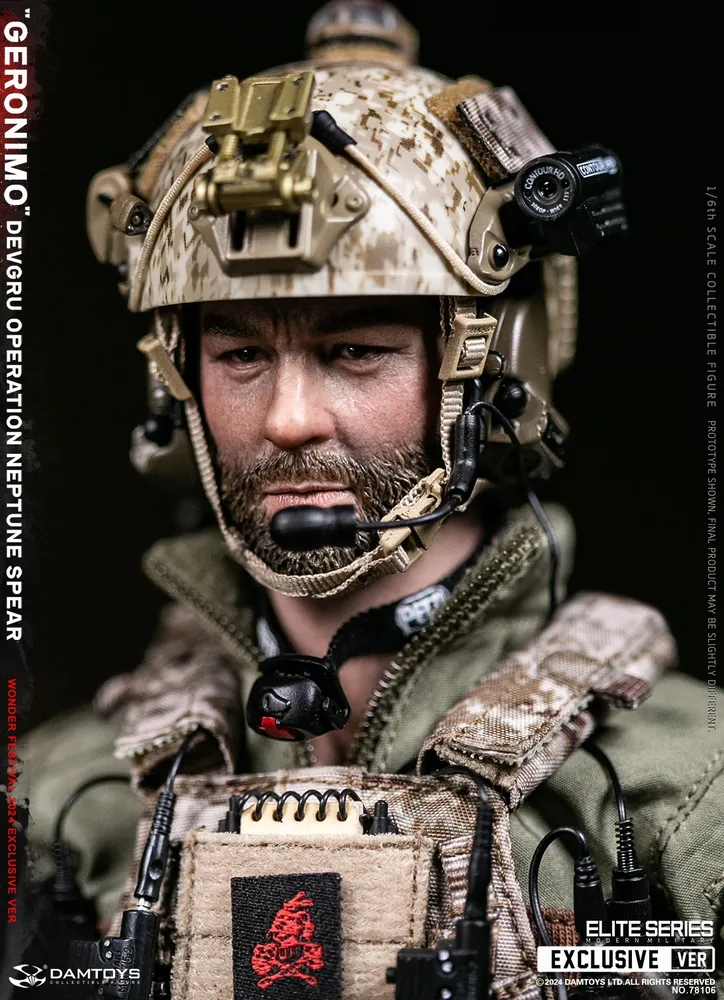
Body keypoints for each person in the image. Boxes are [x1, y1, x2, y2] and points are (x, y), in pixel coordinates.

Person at [21, 3, 723, 998]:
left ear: (494, 366)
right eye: (239, 354)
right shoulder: (59, 803)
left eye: (355, 349)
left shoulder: (685, 794)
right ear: (174, 385)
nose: (288, 420)